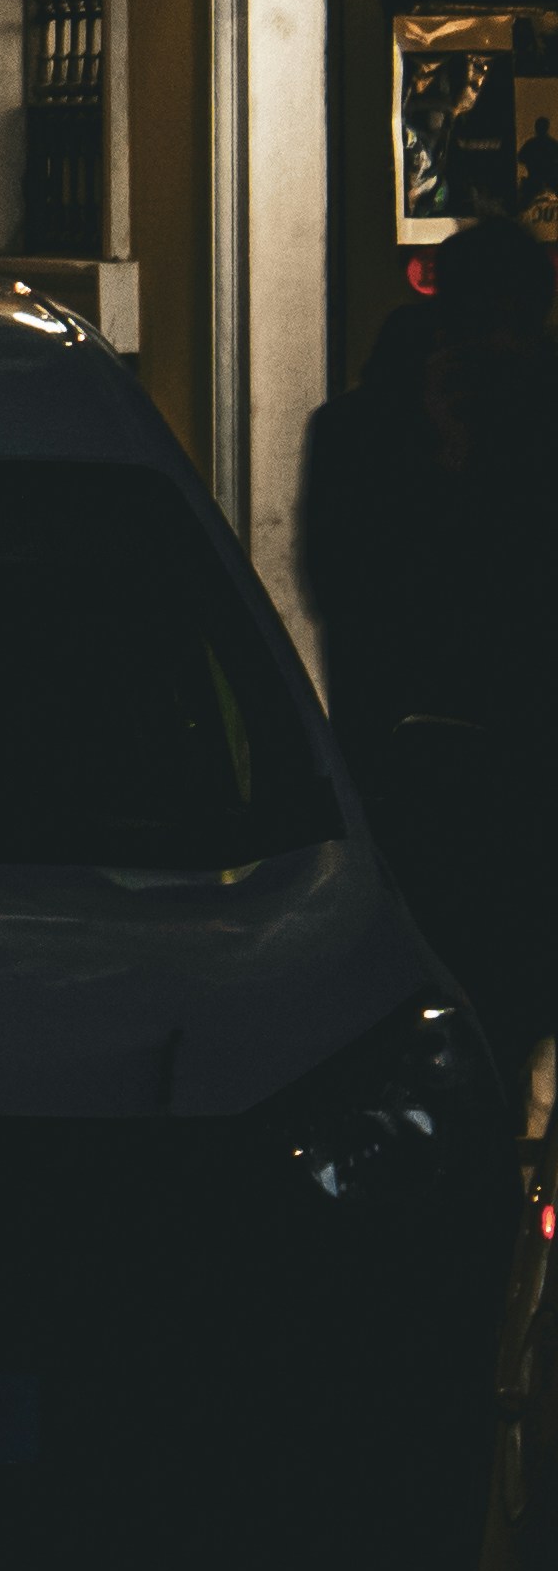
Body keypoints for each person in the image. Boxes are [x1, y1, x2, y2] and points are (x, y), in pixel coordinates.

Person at [304, 220, 558, 1036]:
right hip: (423, 766)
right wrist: (448, 458)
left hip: (494, 763)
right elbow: (362, 596)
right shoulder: (367, 429)